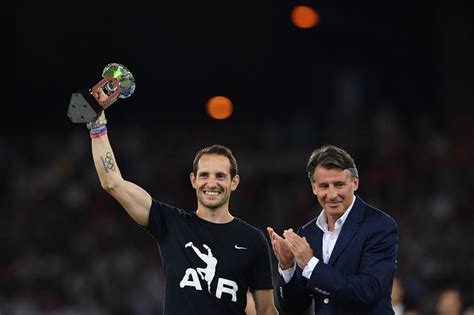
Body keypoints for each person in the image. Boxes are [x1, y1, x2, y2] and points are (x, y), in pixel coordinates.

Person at [88, 91, 278, 315]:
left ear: (234, 182)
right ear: (193, 180)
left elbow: (266, 311)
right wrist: (96, 125)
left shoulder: (253, 240)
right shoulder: (171, 223)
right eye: (205, 175)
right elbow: (113, 182)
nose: (212, 183)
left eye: (220, 176)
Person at [267, 144, 399, 314]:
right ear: (314, 187)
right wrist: (288, 268)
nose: (331, 194)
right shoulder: (308, 233)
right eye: (324, 186)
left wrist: (311, 264)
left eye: (339, 185)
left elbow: (369, 290)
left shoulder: (380, 226)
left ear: (355, 183)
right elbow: (295, 307)